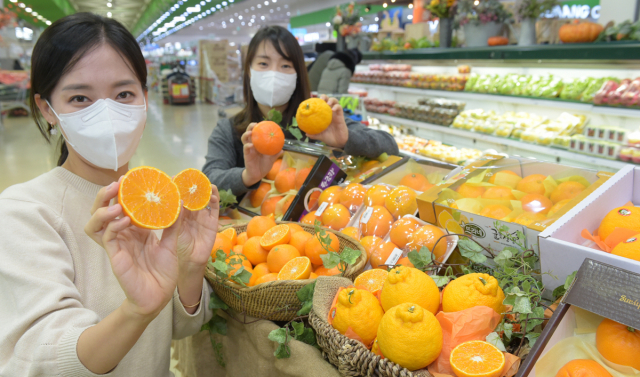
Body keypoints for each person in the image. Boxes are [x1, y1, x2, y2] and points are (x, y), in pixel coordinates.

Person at [0, 13, 216, 376]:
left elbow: (182, 328)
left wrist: (191, 269)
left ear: (145, 100)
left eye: (124, 94)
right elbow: (41, 359)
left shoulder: (160, 205)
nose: (107, 113)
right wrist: (136, 312)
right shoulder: (23, 213)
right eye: (81, 97)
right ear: (46, 108)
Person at [203, 27, 398, 196]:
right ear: (249, 71)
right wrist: (247, 176)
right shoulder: (229, 130)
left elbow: (390, 146)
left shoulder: (317, 120)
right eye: (263, 64)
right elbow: (207, 182)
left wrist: (346, 140)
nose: (274, 73)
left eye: (286, 65)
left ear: (298, 75)